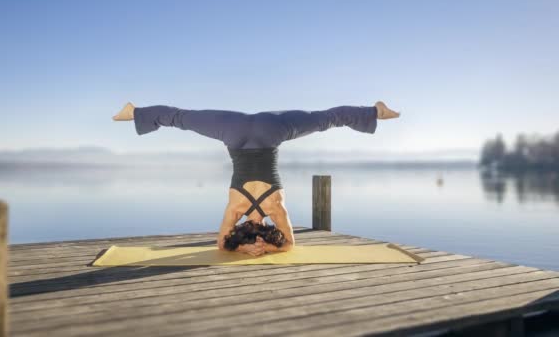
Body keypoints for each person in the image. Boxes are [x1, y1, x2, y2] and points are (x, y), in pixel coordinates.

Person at [112, 101, 400, 256]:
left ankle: (376, 112)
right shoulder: (235, 208)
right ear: (244, 226)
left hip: (269, 131)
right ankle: (134, 112)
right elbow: (222, 243)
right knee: (181, 118)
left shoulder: (276, 208)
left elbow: (289, 244)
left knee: (325, 119)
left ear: (260, 227)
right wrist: (247, 246)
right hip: (233, 131)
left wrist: (265, 247)